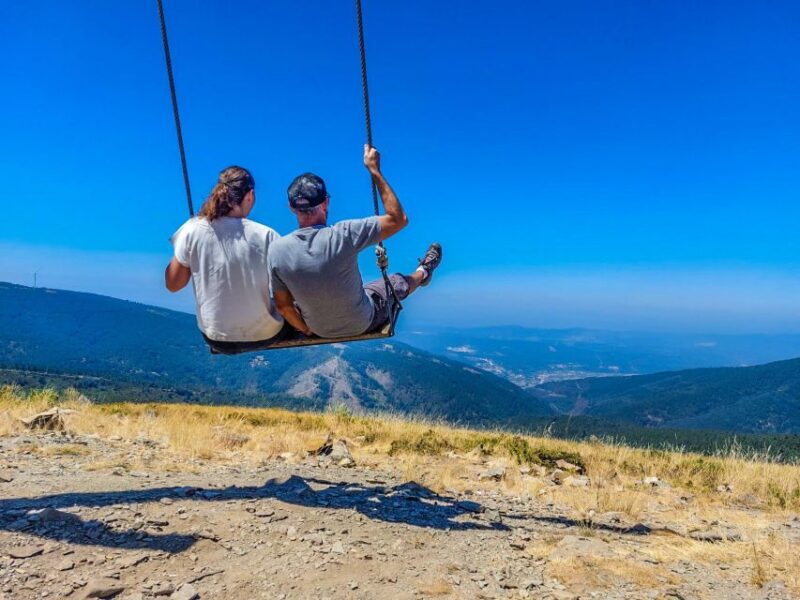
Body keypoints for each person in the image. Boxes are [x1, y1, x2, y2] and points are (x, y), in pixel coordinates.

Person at [268, 145, 442, 339]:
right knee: (395, 282)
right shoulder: (344, 234)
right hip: (362, 322)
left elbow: (284, 307)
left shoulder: (276, 250)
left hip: (318, 328)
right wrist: (374, 169)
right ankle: (424, 272)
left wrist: (307, 330)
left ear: (291, 207)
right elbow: (398, 219)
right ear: (326, 202)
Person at [165, 166, 285, 351]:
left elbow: (173, 284)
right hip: (265, 335)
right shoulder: (268, 235)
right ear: (250, 195)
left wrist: (187, 245)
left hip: (217, 338)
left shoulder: (193, 229)